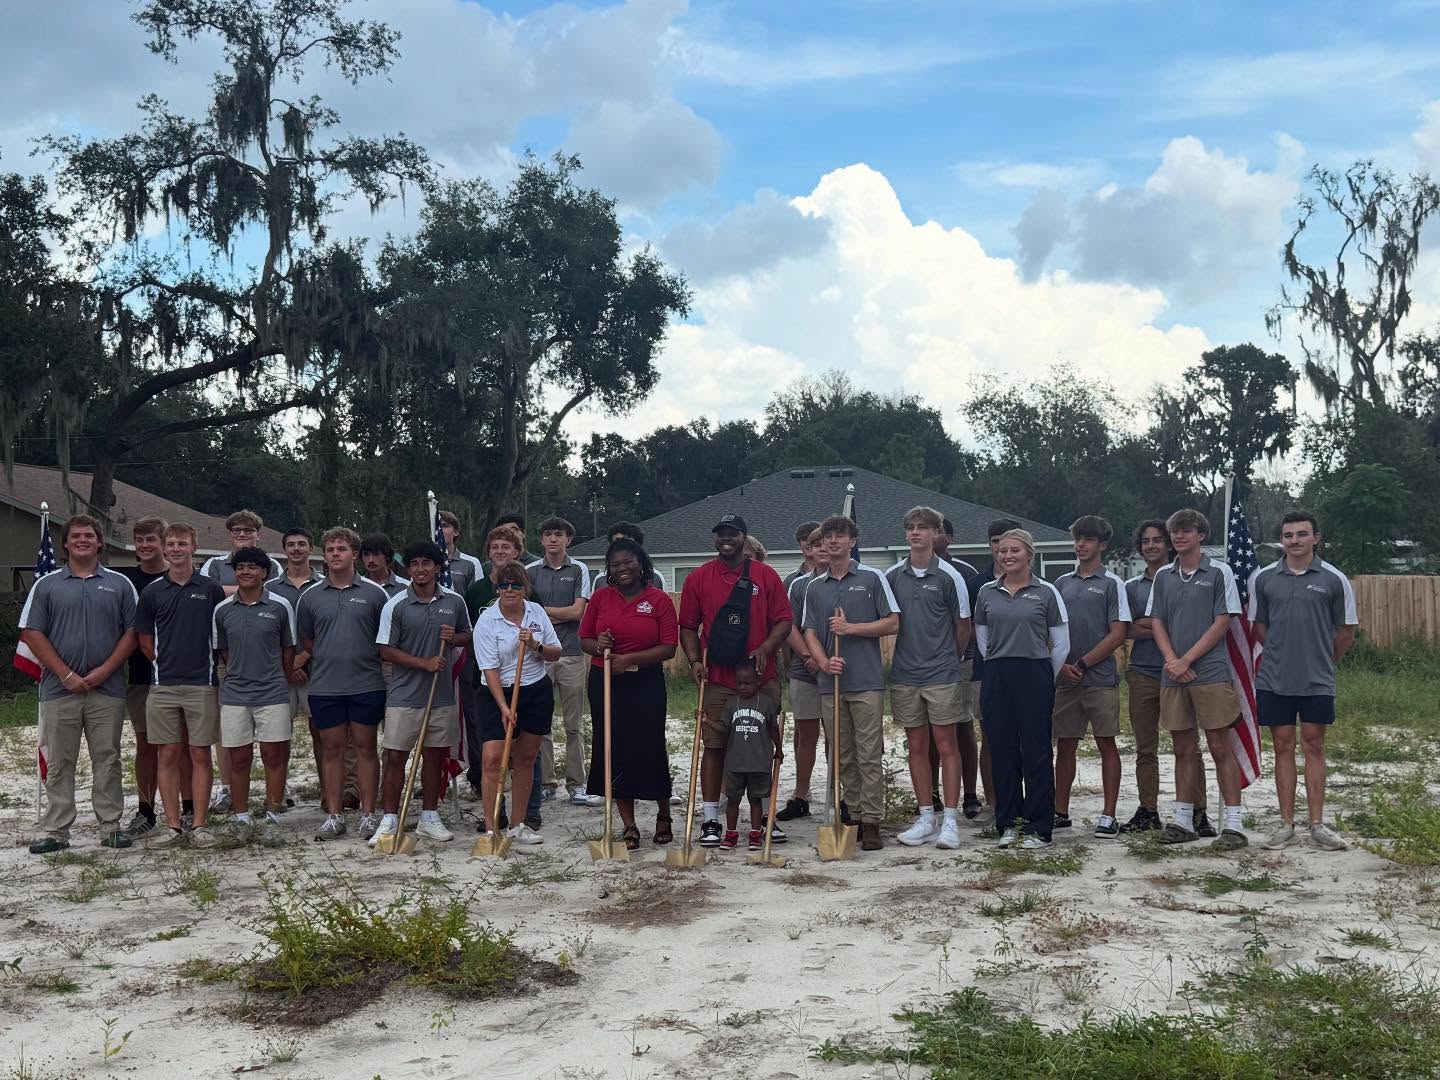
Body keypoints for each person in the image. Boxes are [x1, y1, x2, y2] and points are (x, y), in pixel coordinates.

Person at [19, 514, 138, 854]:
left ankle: (110, 826)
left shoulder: (119, 584)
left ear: (100, 542)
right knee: (60, 763)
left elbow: (132, 632)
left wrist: (105, 670)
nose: (82, 540)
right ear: (66, 544)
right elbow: (31, 632)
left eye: (89, 535)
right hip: (59, 690)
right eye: (76, 536)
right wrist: (65, 674)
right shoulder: (47, 585)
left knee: (108, 758)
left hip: (107, 689)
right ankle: (56, 831)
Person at [679, 513, 793, 848]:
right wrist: (695, 661)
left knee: (763, 747)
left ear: (744, 537)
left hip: (761, 677)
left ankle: (765, 818)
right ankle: (712, 818)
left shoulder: (765, 575)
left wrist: (766, 647)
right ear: (715, 539)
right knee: (714, 747)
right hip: (718, 677)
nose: (726, 539)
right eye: (721, 534)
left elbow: (784, 621)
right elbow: (687, 626)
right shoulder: (699, 578)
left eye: (733, 533)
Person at [1251, 511, 1358, 851]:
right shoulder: (1264, 578)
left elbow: (1346, 632)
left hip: (1316, 681)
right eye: (1288, 535)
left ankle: (1317, 824)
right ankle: (1285, 824)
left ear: (1316, 538)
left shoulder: (1334, 579)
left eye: (1301, 534)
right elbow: (1259, 627)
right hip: (1274, 679)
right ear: (1281, 540)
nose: (1294, 541)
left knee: (1314, 746)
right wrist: (1282, 654)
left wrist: (1322, 661)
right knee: (1282, 747)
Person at [1146, 509, 1248, 851]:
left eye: (1186, 531)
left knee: (1220, 746)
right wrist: (1172, 661)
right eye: (1174, 531)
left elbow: (1223, 621)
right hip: (1173, 675)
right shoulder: (1163, 575)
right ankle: (1183, 820)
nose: (1179, 536)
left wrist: (1187, 659)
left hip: (1210, 672)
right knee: (1182, 748)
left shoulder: (1220, 572)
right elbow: (1156, 620)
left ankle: (1233, 825)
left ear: (1200, 535)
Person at [801, 515, 900, 852]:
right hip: (832, 683)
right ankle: (853, 815)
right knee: (842, 754)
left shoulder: (873, 578)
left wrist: (852, 629)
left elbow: (892, 623)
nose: (832, 541)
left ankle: (872, 820)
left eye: (839, 535)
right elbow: (810, 631)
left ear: (852, 541)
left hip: (867, 681)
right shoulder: (814, 586)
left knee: (869, 753)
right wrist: (824, 662)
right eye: (828, 536)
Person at [371, 541, 474, 848]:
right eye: (414, 564)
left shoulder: (454, 602)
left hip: (440, 697)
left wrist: (453, 637)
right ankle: (389, 819)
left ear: (437, 568)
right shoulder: (396, 605)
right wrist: (423, 663)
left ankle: (430, 816)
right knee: (395, 757)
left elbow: (468, 635)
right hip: (404, 696)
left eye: (426, 563)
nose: (419, 569)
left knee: (434, 757)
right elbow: (385, 649)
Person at [972, 528, 1069, 849]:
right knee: (1002, 750)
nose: (1007, 556)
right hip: (998, 674)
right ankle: (1008, 823)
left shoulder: (1047, 592)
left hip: (1036, 674)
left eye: (1014, 550)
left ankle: (1039, 825)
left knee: (1036, 752)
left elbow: (1060, 643)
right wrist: (1003, 666)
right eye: (1002, 551)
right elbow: (983, 640)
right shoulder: (987, 592)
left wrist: (1042, 676)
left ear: (1029, 554)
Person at [579, 538, 678, 850]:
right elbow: (585, 639)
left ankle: (664, 815)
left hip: (645, 681)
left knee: (649, 745)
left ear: (640, 562)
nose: (622, 568)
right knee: (614, 749)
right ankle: (629, 825)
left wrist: (630, 659)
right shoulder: (600, 598)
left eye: (628, 562)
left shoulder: (658, 599)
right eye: (615, 564)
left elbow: (669, 647)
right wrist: (600, 645)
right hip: (605, 680)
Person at [134, 523, 226, 849]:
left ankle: (199, 824)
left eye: (182, 543)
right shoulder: (152, 592)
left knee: (200, 753)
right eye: (170, 543)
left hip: (202, 684)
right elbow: (145, 641)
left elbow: (220, 634)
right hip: (162, 686)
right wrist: (164, 663)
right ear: (164, 548)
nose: (175, 549)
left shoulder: (210, 588)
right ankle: (172, 826)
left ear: (193, 546)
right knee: (167, 754)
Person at [886, 506, 973, 850]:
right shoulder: (892, 575)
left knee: (947, 745)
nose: (916, 533)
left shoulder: (951, 576)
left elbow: (962, 625)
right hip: (905, 675)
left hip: (942, 674)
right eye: (911, 528)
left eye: (923, 528)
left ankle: (950, 821)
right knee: (917, 747)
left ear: (936, 533)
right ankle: (926, 818)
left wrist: (950, 658)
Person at [296, 527, 390, 841]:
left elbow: (384, 639)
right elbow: (308, 640)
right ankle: (334, 815)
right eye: (330, 549)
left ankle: (367, 814)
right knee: (331, 750)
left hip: (366, 683)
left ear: (354, 554)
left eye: (342, 549)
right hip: (325, 686)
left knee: (365, 748)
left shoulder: (376, 594)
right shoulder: (310, 597)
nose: (335, 554)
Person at [1122, 521, 1211, 834]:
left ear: (1169, 544)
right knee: (1145, 748)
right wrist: (1159, 624)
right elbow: (1125, 628)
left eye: (1158, 540)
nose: (1151, 546)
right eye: (1145, 541)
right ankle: (1148, 810)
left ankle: (1198, 813)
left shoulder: (1183, 580)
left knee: (1187, 746)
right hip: (1143, 673)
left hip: (1182, 673)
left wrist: (1153, 623)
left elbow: (1192, 623)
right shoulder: (1131, 588)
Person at [1052, 516, 1131, 839]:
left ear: (1103, 544)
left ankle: (1108, 815)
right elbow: (1050, 630)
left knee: (1106, 744)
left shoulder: (1113, 584)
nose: (1081, 544)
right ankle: (1060, 811)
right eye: (1078, 539)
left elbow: (1118, 633)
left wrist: (1082, 664)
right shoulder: (1060, 584)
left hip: (1098, 679)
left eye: (1088, 539)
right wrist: (1059, 666)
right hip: (1065, 681)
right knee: (1065, 747)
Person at [212, 546, 297, 845]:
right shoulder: (222, 610)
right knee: (238, 758)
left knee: (274, 756)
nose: (245, 571)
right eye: (240, 567)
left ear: (264, 572)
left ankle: (273, 815)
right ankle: (241, 818)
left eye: (252, 567)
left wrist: (277, 676)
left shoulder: (280, 606)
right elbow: (223, 651)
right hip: (235, 694)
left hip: (272, 693)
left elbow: (289, 649)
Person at [200, 508, 282, 816]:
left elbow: (267, 596)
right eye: (237, 530)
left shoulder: (272, 564)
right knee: (231, 735)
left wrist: (231, 590)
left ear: (258, 534)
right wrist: (241, 588)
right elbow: (211, 595)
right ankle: (227, 789)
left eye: (248, 530)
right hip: (228, 658)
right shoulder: (213, 564)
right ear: (229, 534)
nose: (242, 534)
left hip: (266, 661)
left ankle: (278, 791)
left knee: (274, 736)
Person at [473, 562, 561, 846]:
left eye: (516, 585)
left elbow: (555, 653)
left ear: (525, 588)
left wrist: (535, 644)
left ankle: (517, 824)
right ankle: (491, 828)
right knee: (492, 759)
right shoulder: (487, 621)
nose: (509, 590)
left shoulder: (536, 613)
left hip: (535, 689)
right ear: (496, 588)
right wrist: (504, 707)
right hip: (496, 693)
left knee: (525, 759)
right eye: (503, 585)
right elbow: (489, 670)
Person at [117, 516, 193, 838]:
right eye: (140, 539)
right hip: (142, 677)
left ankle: (189, 808)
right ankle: (147, 811)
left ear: (165, 542)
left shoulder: (184, 578)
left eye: (152, 539)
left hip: (185, 678)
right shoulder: (124, 581)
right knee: (147, 745)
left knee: (187, 747)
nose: (146, 545)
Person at [526, 517, 601, 806]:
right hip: (538, 657)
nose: (553, 539)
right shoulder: (531, 571)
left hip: (570, 654)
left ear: (568, 539)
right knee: (541, 724)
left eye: (559, 534)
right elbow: (527, 612)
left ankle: (577, 785)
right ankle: (546, 782)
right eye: (548, 534)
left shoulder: (579, 568)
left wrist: (545, 613)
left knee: (574, 724)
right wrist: (555, 614)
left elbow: (577, 613)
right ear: (542, 540)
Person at [269, 527, 330, 810]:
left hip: (315, 670)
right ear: (284, 550)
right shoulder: (269, 588)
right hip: (279, 673)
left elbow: (325, 630)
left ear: (310, 548)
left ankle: (328, 794)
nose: (296, 549)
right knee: (279, 736)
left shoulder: (324, 585)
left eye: (301, 544)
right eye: (290, 544)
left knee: (321, 733)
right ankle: (277, 797)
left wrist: (302, 658)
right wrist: (286, 667)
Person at [966, 517, 1021, 826]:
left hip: (1025, 674)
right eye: (995, 541)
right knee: (990, 738)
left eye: (1008, 541)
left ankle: (1022, 798)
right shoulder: (976, 584)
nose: (1002, 548)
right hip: (985, 672)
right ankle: (994, 801)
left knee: (1023, 739)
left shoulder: (1037, 584)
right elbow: (971, 628)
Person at [934, 518, 986, 820]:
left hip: (960, 662)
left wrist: (953, 657)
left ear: (949, 537)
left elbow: (970, 622)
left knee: (963, 727)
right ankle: (931, 794)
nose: (930, 534)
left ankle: (969, 794)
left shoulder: (966, 573)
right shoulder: (903, 572)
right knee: (929, 734)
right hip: (923, 667)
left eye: (938, 529)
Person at [776, 526, 827, 822]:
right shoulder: (798, 584)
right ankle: (801, 795)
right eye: (815, 544)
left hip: (837, 670)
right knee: (806, 735)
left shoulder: (844, 582)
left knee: (837, 736)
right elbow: (789, 625)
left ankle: (840, 795)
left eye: (825, 543)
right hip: (804, 670)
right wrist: (807, 656)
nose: (821, 548)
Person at [720, 664, 783, 850]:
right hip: (735, 763)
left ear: (758, 682)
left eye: (747, 683)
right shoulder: (732, 703)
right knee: (733, 800)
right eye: (739, 683)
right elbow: (724, 729)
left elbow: (773, 729)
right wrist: (706, 721)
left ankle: (755, 833)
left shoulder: (766, 703)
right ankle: (731, 833)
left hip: (759, 763)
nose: (742, 687)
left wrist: (779, 748)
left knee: (756, 800)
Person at [436, 509, 485, 596]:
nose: (440, 530)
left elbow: (478, 596)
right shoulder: (424, 564)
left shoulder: (471, 563)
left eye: (444, 526)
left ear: (456, 531)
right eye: (437, 526)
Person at [606, 522, 666, 589]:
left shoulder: (655, 578)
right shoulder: (600, 580)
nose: (622, 547)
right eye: (617, 543)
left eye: (628, 543)